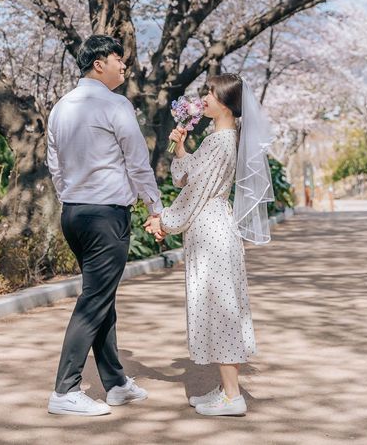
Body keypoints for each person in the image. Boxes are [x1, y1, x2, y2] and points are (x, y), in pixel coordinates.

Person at [46, 34, 164, 416]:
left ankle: (114, 383)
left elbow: (55, 165)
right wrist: (156, 206)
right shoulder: (116, 105)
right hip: (105, 215)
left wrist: (72, 196)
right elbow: (137, 161)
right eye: (119, 60)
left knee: (102, 297)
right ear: (99, 63)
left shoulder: (60, 107)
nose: (124, 67)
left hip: (74, 213)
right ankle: (65, 390)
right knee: (95, 299)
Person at [145, 73, 274, 417]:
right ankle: (225, 389)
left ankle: (233, 397)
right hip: (210, 228)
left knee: (221, 309)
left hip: (210, 229)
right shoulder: (217, 138)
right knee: (218, 306)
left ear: (227, 105)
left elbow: (194, 193)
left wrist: (163, 221)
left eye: (211, 94)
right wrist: (182, 146)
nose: (204, 99)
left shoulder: (221, 141)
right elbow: (187, 176)